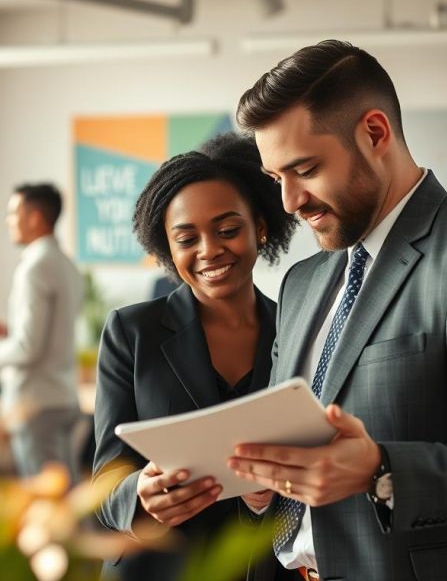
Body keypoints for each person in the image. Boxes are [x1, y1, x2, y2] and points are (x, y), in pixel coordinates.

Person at [225, 40, 447, 581]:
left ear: (375, 133)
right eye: (277, 180)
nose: (291, 202)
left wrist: (381, 469)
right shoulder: (302, 281)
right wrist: (258, 484)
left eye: (306, 169)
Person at [92, 132, 298, 581]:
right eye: (187, 238)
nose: (209, 251)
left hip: (259, 567)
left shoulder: (300, 328)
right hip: (155, 568)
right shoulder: (131, 332)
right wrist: (139, 495)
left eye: (227, 230)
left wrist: (274, 492)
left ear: (260, 226)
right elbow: (106, 481)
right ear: (167, 247)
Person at [0, 183, 84, 482]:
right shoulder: (66, 264)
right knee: (67, 498)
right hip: (62, 397)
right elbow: (51, 333)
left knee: (47, 507)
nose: (8, 221)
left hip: (35, 404)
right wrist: (9, 331)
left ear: (34, 218)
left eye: (13, 213)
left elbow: (27, 349)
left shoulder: (34, 267)